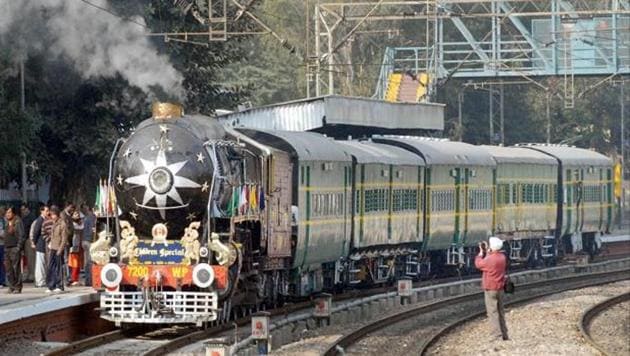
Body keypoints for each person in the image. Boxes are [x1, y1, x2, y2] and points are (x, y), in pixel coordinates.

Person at [475, 236, 509, 341]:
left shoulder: (489, 259)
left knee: (492, 312)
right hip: (500, 288)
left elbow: (478, 264)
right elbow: (492, 258)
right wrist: (488, 251)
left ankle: (496, 335)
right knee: (500, 311)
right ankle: (504, 334)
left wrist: (480, 254)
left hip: (490, 288)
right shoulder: (502, 257)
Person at [3, 206, 25, 293]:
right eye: (6, 213)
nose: (7, 214)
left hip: (14, 248)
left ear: (13, 213)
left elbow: (22, 235)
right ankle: (11, 286)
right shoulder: (7, 223)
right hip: (7, 248)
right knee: (8, 269)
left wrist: (18, 247)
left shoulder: (17, 222)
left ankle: (17, 286)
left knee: (16, 268)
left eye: (9, 212)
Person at [46, 206, 68, 293]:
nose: (52, 216)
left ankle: (59, 285)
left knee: (59, 268)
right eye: (51, 214)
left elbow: (64, 238)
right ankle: (51, 285)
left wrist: (60, 249)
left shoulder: (62, 224)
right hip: (52, 248)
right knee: (50, 267)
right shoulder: (54, 223)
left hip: (59, 248)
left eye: (53, 214)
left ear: (57, 214)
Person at [30, 204, 49, 287]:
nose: (48, 212)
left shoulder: (45, 219)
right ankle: (40, 281)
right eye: (46, 211)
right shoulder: (40, 220)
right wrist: (34, 242)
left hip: (43, 244)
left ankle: (42, 280)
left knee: (43, 263)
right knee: (40, 264)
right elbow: (36, 232)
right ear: (42, 211)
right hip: (40, 244)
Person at [81, 204, 95, 286]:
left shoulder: (85, 218)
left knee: (86, 262)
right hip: (90, 241)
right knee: (91, 261)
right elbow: (93, 230)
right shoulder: (93, 217)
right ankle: (90, 280)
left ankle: (87, 280)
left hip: (84, 240)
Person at [21, 203, 36, 282]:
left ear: (27, 209)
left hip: (29, 239)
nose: (22, 211)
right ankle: (29, 274)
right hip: (25, 240)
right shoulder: (24, 218)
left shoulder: (30, 218)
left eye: (24, 209)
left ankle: (32, 275)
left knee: (31, 258)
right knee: (27, 259)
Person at [68, 211, 84, 286]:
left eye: (78, 214)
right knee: (74, 263)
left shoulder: (81, 223)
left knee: (78, 263)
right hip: (74, 245)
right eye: (75, 214)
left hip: (80, 245)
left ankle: (76, 278)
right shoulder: (71, 224)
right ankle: (73, 278)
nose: (77, 215)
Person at [0, 206, 6, 288]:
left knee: (2, 263)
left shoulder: (4, 220)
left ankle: (2, 280)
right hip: (1, 243)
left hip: (2, 244)